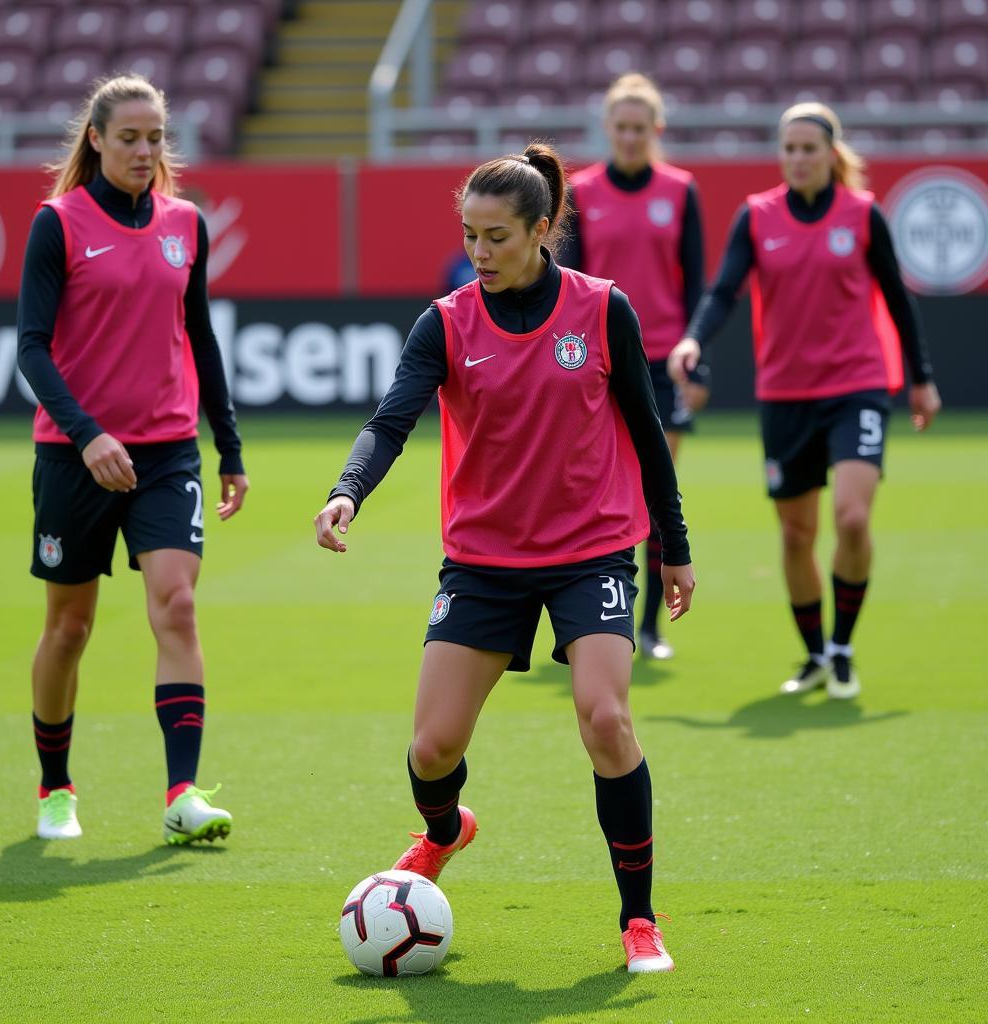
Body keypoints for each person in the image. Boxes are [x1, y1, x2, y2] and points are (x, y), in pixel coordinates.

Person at [315, 143, 696, 973]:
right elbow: (390, 422)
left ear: (540, 230)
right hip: (483, 561)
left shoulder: (602, 310)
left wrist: (674, 545)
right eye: (469, 235)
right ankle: (447, 830)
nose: (478, 252)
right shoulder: (446, 321)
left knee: (606, 718)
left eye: (494, 237)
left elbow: (646, 429)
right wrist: (349, 490)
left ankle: (639, 919)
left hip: (590, 551)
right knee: (432, 750)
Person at [16, 74, 248, 844]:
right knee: (70, 628)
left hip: (166, 453)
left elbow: (201, 338)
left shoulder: (186, 223)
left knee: (177, 606)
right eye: (130, 138)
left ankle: (182, 792)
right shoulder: (59, 224)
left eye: (156, 138)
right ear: (97, 140)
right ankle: (56, 787)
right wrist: (87, 434)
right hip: (75, 455)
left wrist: (229, 446)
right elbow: (31, 349)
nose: (146, 151)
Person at [668, 102, 940, 700]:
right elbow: (723, 290)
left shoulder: (863, 215)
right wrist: (693, 337)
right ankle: (815, 654)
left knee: (851, 516)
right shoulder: (757, 217)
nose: (797, 158)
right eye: (788, 148)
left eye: (808, 148)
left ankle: (843, 647)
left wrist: (920, 378)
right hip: (785, 392)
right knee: (796, 535)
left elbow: (898, 300)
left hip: (858, 385)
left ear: (831, 154)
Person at [562, 72, 707, 661]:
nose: (628, 136)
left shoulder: (680, 189)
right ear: (607, 128)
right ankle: (595, 615)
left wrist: (698, 363)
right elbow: (570, 282)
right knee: (595, 491)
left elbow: (696, 281)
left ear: (656, 129)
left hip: (663, 356)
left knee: (655, 489)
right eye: (619, 127)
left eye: (638, 128)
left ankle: (647, 627)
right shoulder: (583, 190)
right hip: (600, 358)